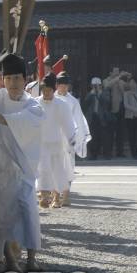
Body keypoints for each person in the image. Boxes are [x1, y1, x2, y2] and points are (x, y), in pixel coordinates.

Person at [0, 53, 44, 273]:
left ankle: (32, 258)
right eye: (9, 79)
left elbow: (25, 122)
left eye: (18, 78)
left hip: (23, 170)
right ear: (2, 81)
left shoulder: (33, 104)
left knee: (29, 213)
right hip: (0, 169)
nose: (14, 83)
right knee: (2, 216)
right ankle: (10, 261)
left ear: (26, 80)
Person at [36, 74, 76, 209]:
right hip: (41, 143)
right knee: (43, 169)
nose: (46, 93)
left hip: (56, 143)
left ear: (53, 90)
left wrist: (71, 139)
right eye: (44, 90)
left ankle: (58, 196)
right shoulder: (35, 103)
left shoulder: (61, 105)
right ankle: (44, 196)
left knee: (58, 170)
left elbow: (68, 124)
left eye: (48, 90)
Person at [55, 72, 90, 206]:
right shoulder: (51, 99)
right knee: (55, 165)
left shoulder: (73, 101)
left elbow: (79, 120)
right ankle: (55, 195)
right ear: (57, 85)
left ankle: (66, 194)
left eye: (65, 86)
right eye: (61, 85)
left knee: (68, 165)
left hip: (68, 137)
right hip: (54, 136)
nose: (63, 88)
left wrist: (78, 136)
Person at [103, 68, 128, 157]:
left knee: (120, 132)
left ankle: (120, 152)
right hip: (111, 110)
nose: (118, 73)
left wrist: (128, 77)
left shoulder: (120, 81)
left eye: (118, 71)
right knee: (110, 132)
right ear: (111, 73)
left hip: (121, 108)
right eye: (116, 71)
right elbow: (107, 86)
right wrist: (118, 77)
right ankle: (108, 153)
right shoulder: (106, 80)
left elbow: (126, 89)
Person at [82, 78, 107, 160]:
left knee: (101, 136)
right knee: (92, 136)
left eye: (98, 85)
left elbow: (106, 103)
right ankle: (93, 154)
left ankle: (102, 152)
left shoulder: (104, 93)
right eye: (94, 86)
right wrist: (91, 94)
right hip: (92, 117)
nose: (96, 87)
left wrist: (99, 95)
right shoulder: (89, 94)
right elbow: (85, 104)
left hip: (101, 117)